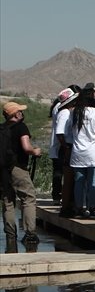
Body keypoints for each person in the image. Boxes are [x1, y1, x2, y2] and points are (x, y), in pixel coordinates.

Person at [3, 102, 41, 244]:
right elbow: (26, 147)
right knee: (28, 198)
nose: (22, 113)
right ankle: (30, 234)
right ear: (15, 114)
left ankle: (10, 236)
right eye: (20, 111)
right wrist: (35, 151)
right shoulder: (21, 127)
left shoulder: (1, 128)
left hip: (2, 170)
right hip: (17, 168)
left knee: (8, 202)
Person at [66, 85, 95, 218]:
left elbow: (70, 133)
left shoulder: (74, 112)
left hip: (77, 152)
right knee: (93, 181)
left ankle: (80, 207)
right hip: (93, 151)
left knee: (79, 182)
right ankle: (93, 207)